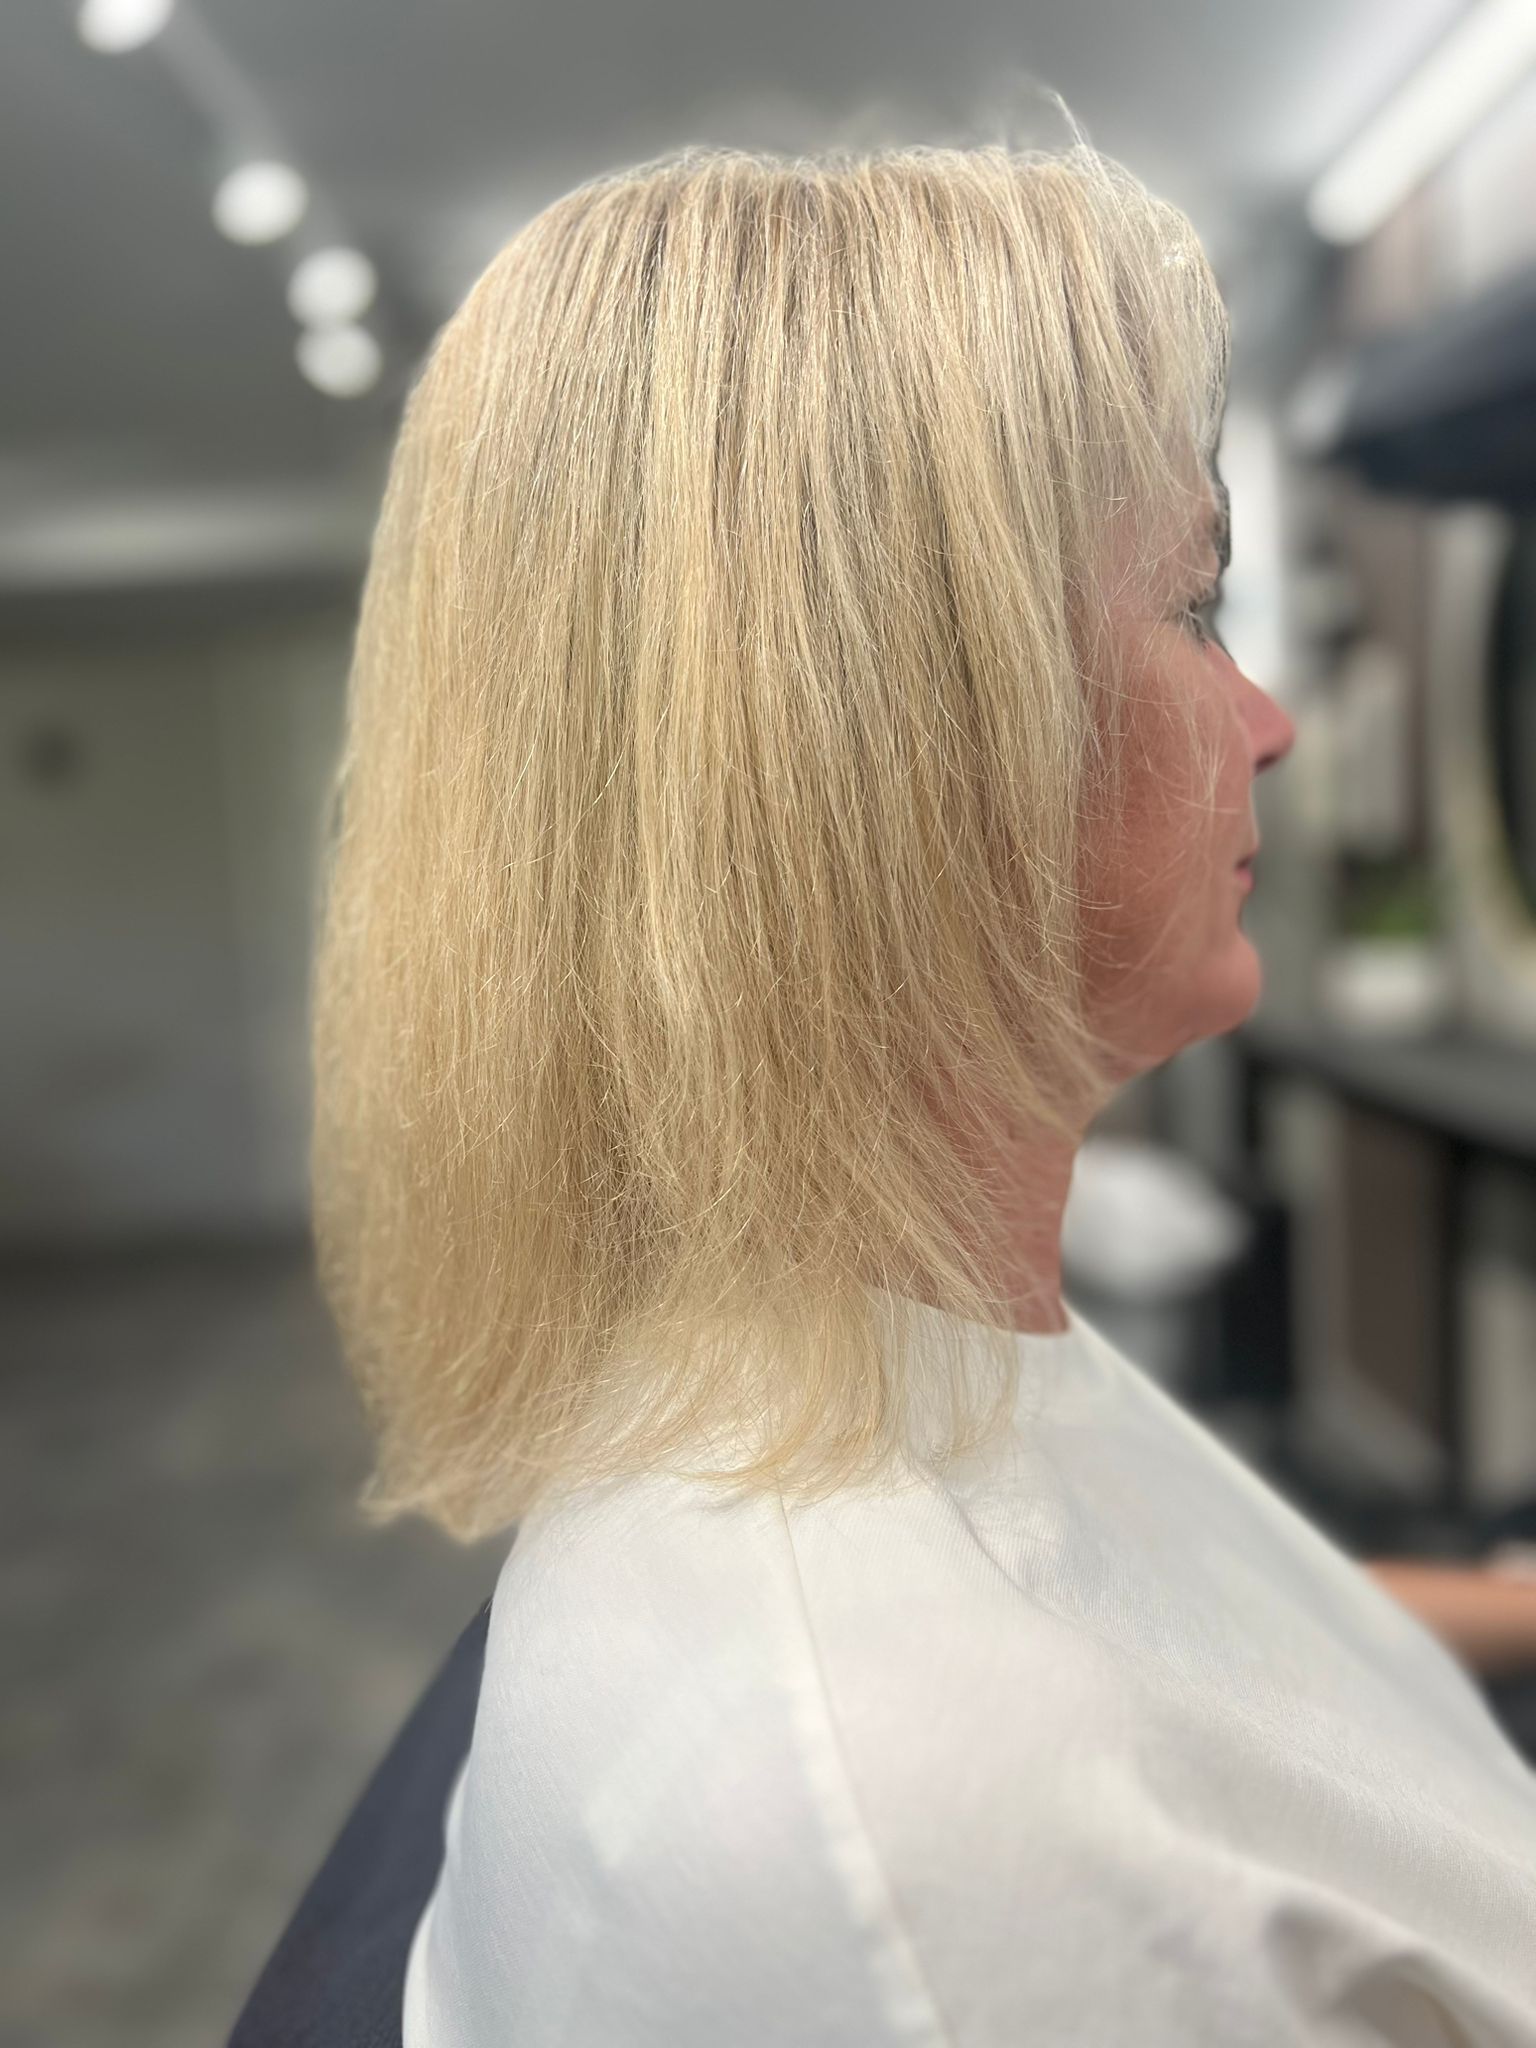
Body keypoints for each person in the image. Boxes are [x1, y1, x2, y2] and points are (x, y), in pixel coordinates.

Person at [308, 135, 1536, 2045]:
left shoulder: (851, 1367)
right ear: (906, 751)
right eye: (1193, 606)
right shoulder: (949, 1845)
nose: (1271, 726)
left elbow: (1188, 1623)